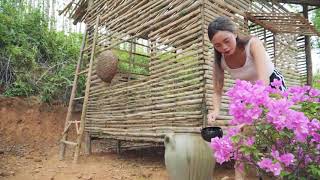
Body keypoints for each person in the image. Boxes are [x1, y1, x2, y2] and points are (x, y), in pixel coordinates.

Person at [206, 16, 287, 180]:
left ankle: (278, 173)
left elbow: (263, 82)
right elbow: (217, 89)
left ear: (235, 33)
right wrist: (215, 110)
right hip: (247, 93)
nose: (224, 47)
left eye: (226, 41)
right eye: (217, 45)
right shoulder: (219, 59)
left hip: (270, 86)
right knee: (242, 139)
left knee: (276, 132)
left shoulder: (253, 44)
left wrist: (251, 119)